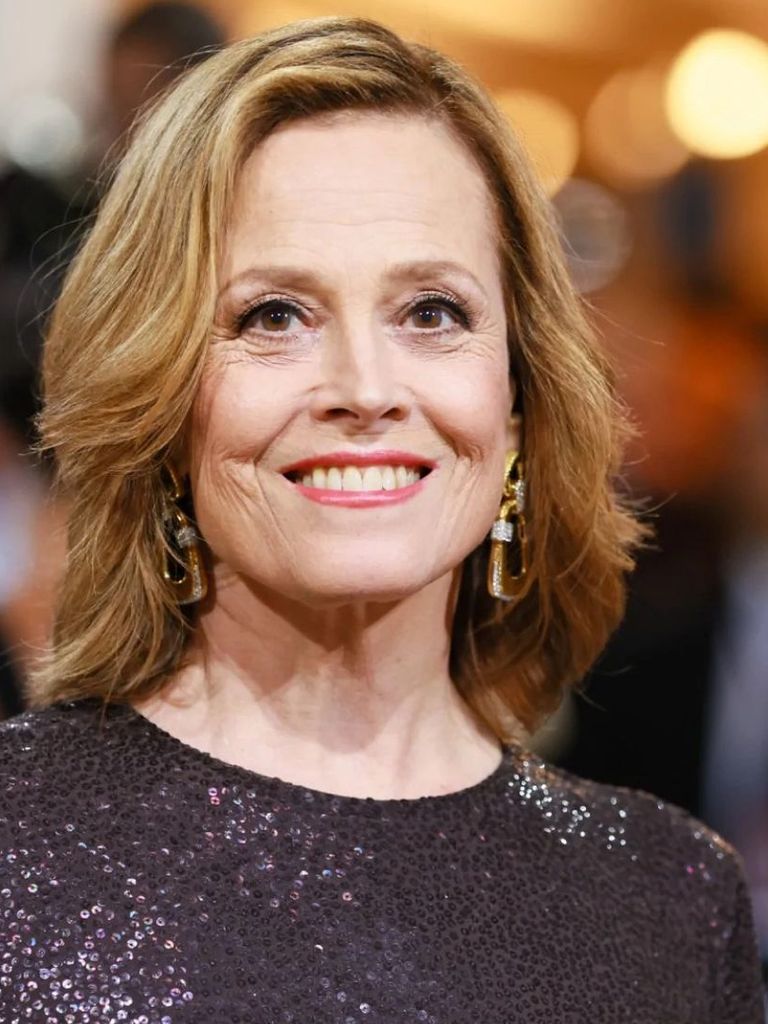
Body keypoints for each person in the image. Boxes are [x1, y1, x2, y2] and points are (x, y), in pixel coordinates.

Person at [0, 16, 762, 1021]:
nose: (364, 388)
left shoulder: (672, 901)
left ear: (519, 398)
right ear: (161, 399)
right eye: (274, 315)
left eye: (431, 312)